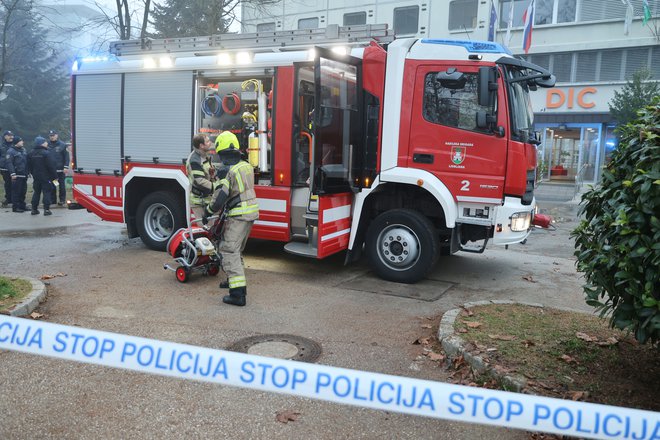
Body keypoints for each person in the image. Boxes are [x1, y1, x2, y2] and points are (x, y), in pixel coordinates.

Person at [202, 131, 259, 307]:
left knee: (228, 250)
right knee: (236, 250)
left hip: (239, 215)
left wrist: (207, 211)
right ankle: (232, 279)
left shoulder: (227, 171)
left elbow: (219, 198)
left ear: (222, 151)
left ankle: (237, 294)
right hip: (250, 213)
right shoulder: (245, 165)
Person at [185, 134, 216, 222]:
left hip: (207, 198)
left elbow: (208, 174)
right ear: (201, 146)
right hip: (199, 201)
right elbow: (199, 181)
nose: (210, 143)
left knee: (213, 228)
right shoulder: (195, 160)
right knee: (206, 228)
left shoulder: (204, 155)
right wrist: (216, 187)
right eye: (207, 141)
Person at [27, 136, 57, 216]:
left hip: (36, 177)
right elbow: (51, 166)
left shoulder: (30, 153)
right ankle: (46, 210)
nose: (47, 143)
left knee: (36, 192)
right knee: (47, 192)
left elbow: (29, 166)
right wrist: (55, 177)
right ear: (42, 143)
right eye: (45, 142)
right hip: (46, 177)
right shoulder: (46, 153)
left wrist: (33, 173)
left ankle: (34, 209)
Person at [6, 135, 28, 212]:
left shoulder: (23, 150)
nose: (22, 142)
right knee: (16, 192)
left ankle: (22, 206)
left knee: (23, 191)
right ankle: (15, 207)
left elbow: (26, 162)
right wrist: (12, 173)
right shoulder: (11, 151)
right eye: (21, 141)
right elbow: (9, 163)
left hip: (24, 174)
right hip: (16, 174)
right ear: (16, 142)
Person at [48, 130, 69, 206]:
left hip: (61, 170)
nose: (52, 137)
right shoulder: (47, 145)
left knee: (61, 185)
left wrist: (66, 166)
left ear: (57, 135)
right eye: (50, 136)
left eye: (53, 135)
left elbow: (66, 157)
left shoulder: (62, 145)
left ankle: (62, 200)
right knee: (53, 185)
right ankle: (53, 200)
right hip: (52, 171)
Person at [1, 130, 15, 207]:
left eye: (12, 135)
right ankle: (8, 198)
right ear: (5, 136)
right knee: (7, 184)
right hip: (4, 168)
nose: (11, 137)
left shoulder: (14, 144)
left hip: (13, 168)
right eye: (9, 135)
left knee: (14, 184)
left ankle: (14, 199)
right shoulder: (1, 145)